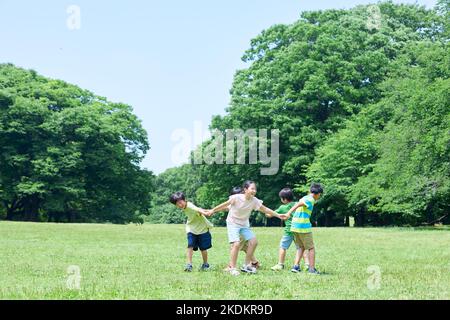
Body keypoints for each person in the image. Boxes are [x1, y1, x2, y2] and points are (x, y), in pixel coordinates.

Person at [206, 181, 282, 276]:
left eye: (255, 189)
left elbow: (265, 209)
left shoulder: (254, 201)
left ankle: (246, 265)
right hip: (233, 224)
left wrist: (278, 215)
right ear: (245, 189)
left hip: (244, 225)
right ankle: (232, 268)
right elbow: (224, 205)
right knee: (236, 244)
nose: (254, 191)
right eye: (252, 188)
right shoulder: (236, 198)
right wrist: (212, 210)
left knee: (254, 242)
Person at [280, 183, 323, 274]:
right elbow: (300, 204)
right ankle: (311, 269)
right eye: (320, 195)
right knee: (311, 248)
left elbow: (300, 203)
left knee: (301, 247)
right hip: (303, 226)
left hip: (294, 226)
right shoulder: (310, 199)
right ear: (318, 193)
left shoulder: (304, 197)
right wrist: (288, 212)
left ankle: (296, 266)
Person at [169, 191, 213, 272]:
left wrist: (205, 213)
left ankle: (205, 264)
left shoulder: (189, 205)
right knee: (190, 245)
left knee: (203, 248)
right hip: (191, 228)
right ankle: (189, 265)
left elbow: (197, 209)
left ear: (184, 200)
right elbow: (198, 209)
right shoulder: (185, 206)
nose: (179, 205)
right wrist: (207, 211)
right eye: (177, 204)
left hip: (201, 229)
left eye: (180, 202)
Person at [270, 188, 309, 272]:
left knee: (283, 246)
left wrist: (269, 214)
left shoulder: (283, 207)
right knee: (301, 247)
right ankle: (307, 264)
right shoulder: (296, 204)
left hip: (288, 231)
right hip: (298, 229)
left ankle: (280, 264)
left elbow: (269, 214)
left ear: (284, 199)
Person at [223, 187, 261, 271]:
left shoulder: (238, 203)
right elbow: (226, 207)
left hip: (240, 229)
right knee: (244, 247)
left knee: (235, 246)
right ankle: (254, 262)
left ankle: (231, 266)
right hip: (243, 228)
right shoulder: (238, 201)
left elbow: (226, 207)